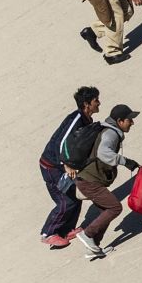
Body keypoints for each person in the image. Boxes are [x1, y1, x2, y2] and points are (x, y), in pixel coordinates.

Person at [71, 104, 142, 259]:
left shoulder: (109, 131)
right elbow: (104, 153)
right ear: (120, 120)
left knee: (106, 209)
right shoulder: (111, 133)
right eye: (130, 120)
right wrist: (125, 161)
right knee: (115, 208)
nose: (132, 123)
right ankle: (87, 234)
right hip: (90, 181)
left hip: (89, 179)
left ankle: (93, 246)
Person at [38, 87, 101, 247]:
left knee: (75, 197)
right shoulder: (76, 119)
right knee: (65, 201)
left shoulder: (86, 120)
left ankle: (65, 230)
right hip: (52, 166)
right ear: (87, 104)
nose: (99, 103)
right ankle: (48, 233)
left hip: (61, 166)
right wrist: (65, 165)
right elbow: (61, 142)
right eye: (96, 100)